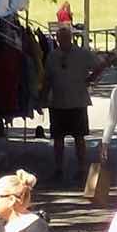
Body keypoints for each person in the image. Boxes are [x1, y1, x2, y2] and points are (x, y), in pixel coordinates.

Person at [47, 26, 96, 183]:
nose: (63, 41)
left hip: (78, 101)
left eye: (65, 38)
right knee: (58, 139)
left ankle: (82, 168)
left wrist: (90, 79)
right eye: (60, 39)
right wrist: (43, 96)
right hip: (57, 102)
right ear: (57, 40)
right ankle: (58, 168)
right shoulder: (52, 55)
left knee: (79, 138)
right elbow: (47, 77)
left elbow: (100, 65)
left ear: (71, 38)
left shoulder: (82, 53)